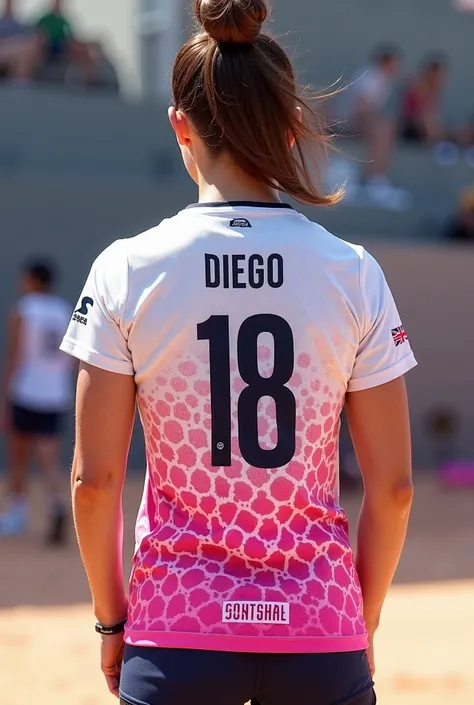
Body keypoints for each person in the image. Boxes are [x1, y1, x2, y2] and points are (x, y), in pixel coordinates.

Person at [61, 1, 416, 704]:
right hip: (321, 629)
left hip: (177, 631)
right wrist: (359, 618)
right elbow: (396, 487)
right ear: (291, 131)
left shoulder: (127, 269)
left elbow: (94, 480)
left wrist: (111, 621)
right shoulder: (353, 272)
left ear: (179, 127)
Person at [0, 259, 72, 543]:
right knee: (48, 456)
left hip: (26, 391)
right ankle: (57, 502)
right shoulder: (64, 310)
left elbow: (15, 356)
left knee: (19, 454)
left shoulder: (23, 310)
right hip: (55, 393)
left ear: (31, 280)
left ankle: (17, 515)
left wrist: (6, 395)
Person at [339, 47, 402, 205]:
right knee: (382, 131)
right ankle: (374, 179)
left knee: (387, 130)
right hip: (348, 120)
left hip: (362, 120)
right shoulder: (369, 76)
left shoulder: (384, 82)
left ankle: (379, 177)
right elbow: (360, 107)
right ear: (385, 62)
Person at [36, 0, 95, 83]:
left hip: (63, 47)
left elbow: (71, 37)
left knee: (85, 51)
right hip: (48, 47)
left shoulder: (64, 21)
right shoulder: (44, 19)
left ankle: (88, 81)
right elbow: (38, 34)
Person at [400, 57, 448, 144]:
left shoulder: (434, 90)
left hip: (424, 127)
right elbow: (417, 114)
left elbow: (434, 114)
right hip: (411, 126)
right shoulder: (417, 87)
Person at [0, 0, 44, 84]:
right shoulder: (1, 22)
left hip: (16, 50)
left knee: (28, 48)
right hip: (3, 48)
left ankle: (20, 86)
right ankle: (20, 86)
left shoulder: (18, 25)